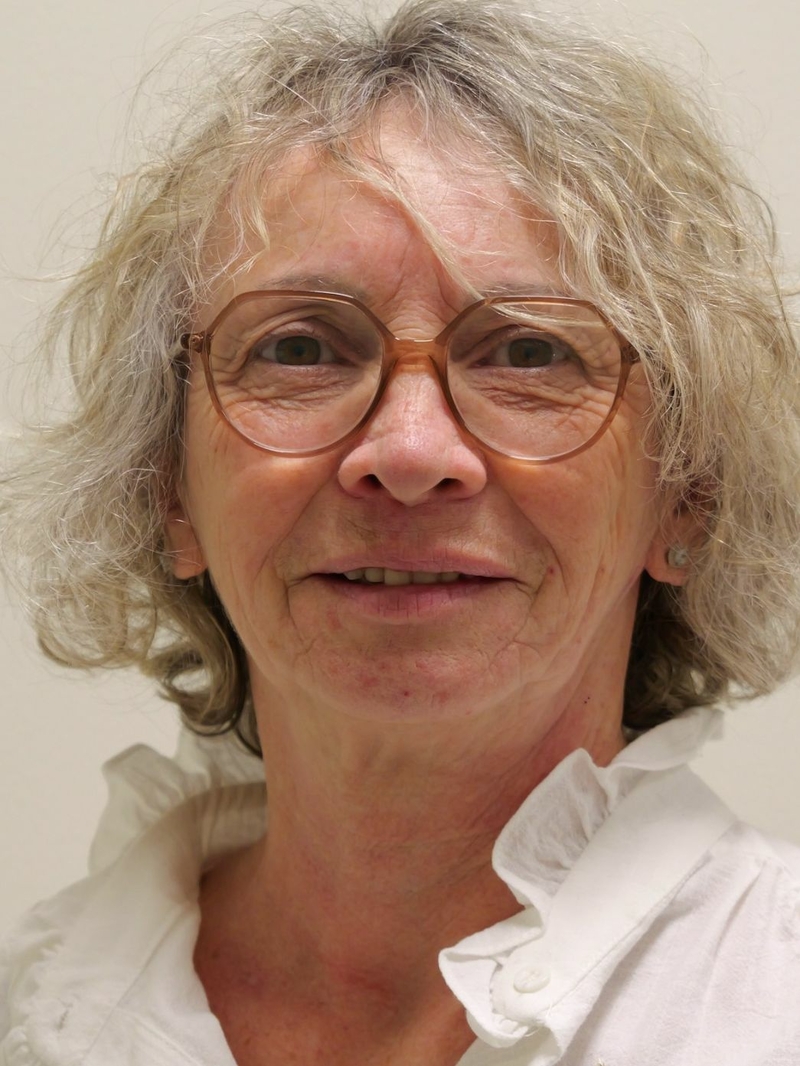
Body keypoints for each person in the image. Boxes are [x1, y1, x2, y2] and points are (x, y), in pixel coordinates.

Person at [1, 0, 799, 1062]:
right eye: (298, 349)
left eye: (529, 353)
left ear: (686, 491)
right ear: (168, 488)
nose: (410, 451)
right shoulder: (34, 1010)